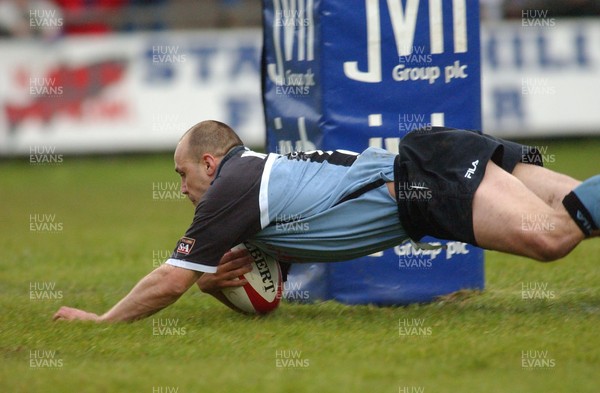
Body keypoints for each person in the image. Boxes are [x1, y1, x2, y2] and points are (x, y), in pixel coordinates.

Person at [53, 120, 600, 322]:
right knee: (578, 208)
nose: (181, 190)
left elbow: (167, 280)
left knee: (552, 238)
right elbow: (266, 300)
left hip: (423, 179)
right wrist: (214, 287)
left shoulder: (233, 187)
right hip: (430, 164)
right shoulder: (258, 192)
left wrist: (102, 322)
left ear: (209, 163)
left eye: (181, 175)